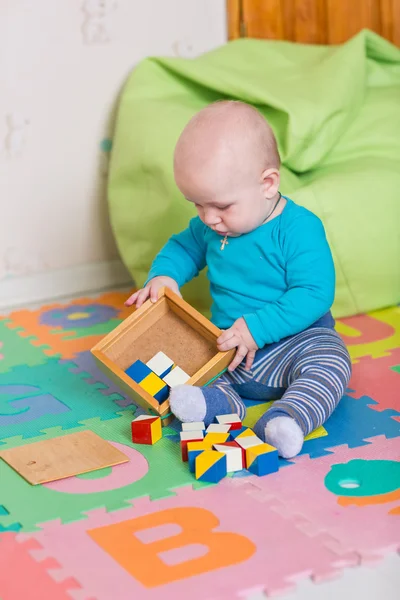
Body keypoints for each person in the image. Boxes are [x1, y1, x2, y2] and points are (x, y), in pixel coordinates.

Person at [125, 100, 351, 458]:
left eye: (221, 206)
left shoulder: (299, 228)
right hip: (227, 349)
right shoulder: (209, 227)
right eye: (197, 205)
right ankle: (211, 404)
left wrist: (257, 328)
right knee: (187, 365)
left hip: (297, 343)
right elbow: (182, 248)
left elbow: (314, 292)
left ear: (267, 184)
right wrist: (164, 276)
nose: (208, 218)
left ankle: (287, 419)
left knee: (332, 360)